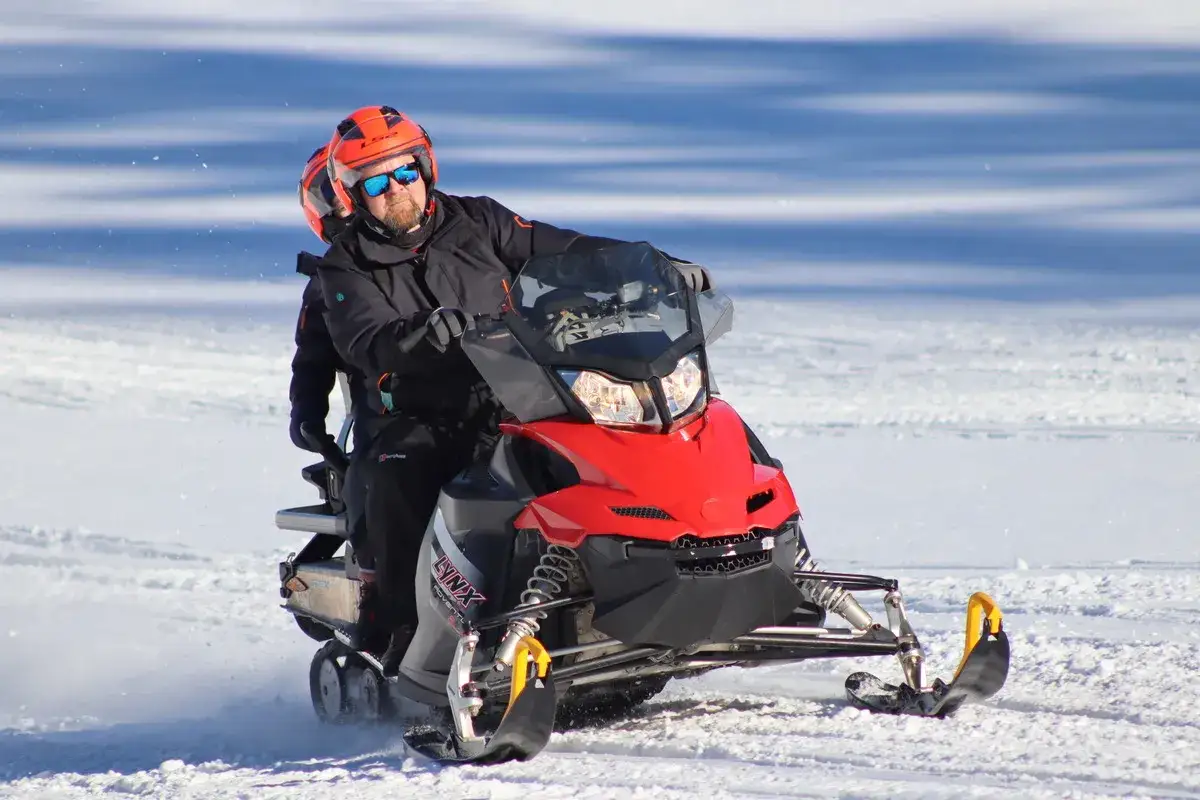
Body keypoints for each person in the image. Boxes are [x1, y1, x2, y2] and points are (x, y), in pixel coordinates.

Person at [317, 105, 714, 674]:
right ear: (352, 195)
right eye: (375, 182)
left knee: (645, 431)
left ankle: (692, 573)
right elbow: (365, 340)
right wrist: (420, 335)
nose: (396, 190)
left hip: (520, 389)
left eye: (405, 172)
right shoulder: (345, 268)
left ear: (426, 169)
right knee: (397, 472)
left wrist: (651, 267)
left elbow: (563, 250)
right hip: (422, 412)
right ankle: (403, 636)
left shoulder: (476, 220)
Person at [291, 143, 382, 648]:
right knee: (383, 479)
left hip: (487, 388)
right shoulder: (330, 278)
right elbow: (311, 355)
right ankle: (381, 611)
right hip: (385, 409)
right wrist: (307, 413)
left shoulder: (435, 244)